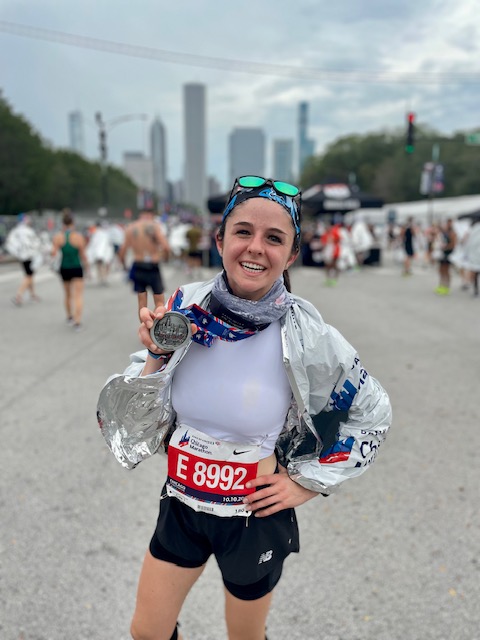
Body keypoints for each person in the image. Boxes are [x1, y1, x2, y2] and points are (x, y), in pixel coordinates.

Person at [97, 176, 392, 640]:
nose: (255, 248)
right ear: (220, 240)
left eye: (274, 238)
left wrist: (305, 483)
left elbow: (371, 409)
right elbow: (134, 425)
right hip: (182, 504)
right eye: (243, 232)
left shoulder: (310, 337)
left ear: (292, 254)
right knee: (147, 632)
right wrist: (156, 355)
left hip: (253, 516)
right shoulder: (184, 309)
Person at [119, 209, 171, 318]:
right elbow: (165, 247)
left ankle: (144, 327)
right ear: (151, 215)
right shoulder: (154, 226)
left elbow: (122, 251)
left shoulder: (131, 227)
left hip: (138, 265)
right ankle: (157, 329)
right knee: (159, 302)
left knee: (142, 303)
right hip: (153, 266)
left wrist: (124, 265)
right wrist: (166, 258)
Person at [51, 210, 88, 330]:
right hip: (76, 267)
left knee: (67, 295)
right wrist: (87, 267)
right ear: (73, 223)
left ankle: (69, 317)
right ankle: (77, 321)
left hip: (64, 267)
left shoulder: (58, 237)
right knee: (78, 295)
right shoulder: (78, 237)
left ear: (63, 223)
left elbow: (53, 254)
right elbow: (83, 255)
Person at [6, 213, 43, 306]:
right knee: (29, 276)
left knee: (30, 275)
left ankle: (32, 294)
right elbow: (35, 242)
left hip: (22, 256)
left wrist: (17, 253)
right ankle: (19, 295)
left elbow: (10, 243)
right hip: (30, 256)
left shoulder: (15, 231)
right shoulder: (28, 230)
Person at [434, 218, 457, 295]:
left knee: (446, 270)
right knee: (441, 270)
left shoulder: (452, 233)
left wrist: (444, 247)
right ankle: (441, 284)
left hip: (448, 254)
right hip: (442, 253)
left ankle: (446, 286)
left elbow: (453, 245)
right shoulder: (444, 233)